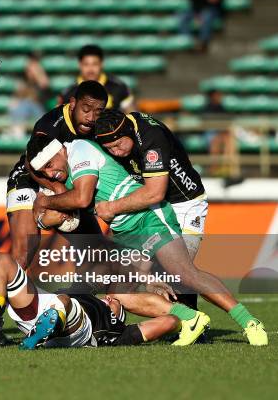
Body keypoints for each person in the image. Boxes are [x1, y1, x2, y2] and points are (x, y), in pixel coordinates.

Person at [28, 134, 268, 346]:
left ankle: (249, 322)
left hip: (148, 218)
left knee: (184, 274)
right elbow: (43, 217)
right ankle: (190, 319)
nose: (50, 173)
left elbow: (81, 198)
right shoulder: (62, 175)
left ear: (59, 150)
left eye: (50, 165)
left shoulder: (80, 150)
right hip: (124, 233)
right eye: (43, 172)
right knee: (120, 294)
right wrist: (43, 213)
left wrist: (46, 203)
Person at [92, 109, 209, 318]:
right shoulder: (123, 130)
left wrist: (111, 208)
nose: (116, 152)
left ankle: (214, 320)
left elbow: (155, 193)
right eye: (109, 149)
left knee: (179, 273)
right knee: (130, 272)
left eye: (118, 145)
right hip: (152, 203)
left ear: (127, 132)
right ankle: (187, 322)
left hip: (185, 202)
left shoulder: (151, 136)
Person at [0, 252, 180, 349]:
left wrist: (181, 320)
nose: (109, 297)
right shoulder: (85, 291)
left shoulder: (118, 331)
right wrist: (148, 280)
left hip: (78, 329)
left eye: (116, 303)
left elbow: (168, 321)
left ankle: (48, 324)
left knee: (64, 302)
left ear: (119, 316)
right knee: (0, 260)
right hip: (46, 307)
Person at [6, 81, 107, 270]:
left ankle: (84, 300)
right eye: (86, 109)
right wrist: (57, 189)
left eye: (98, 112)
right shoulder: (50, 124)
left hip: (70, 187)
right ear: (73, 103)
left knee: (97, 253)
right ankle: (2, 297)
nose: (91, 118)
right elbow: (31, 162)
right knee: (23, 254)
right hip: (30, 179)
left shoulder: (101, 128)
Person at [58, 45, 134, 112]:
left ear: (101, 64)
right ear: (79, 65)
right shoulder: (68, 93)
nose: (90, 69)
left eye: (95, 64)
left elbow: (132, 115)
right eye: (86, 64)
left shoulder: (118, 87)